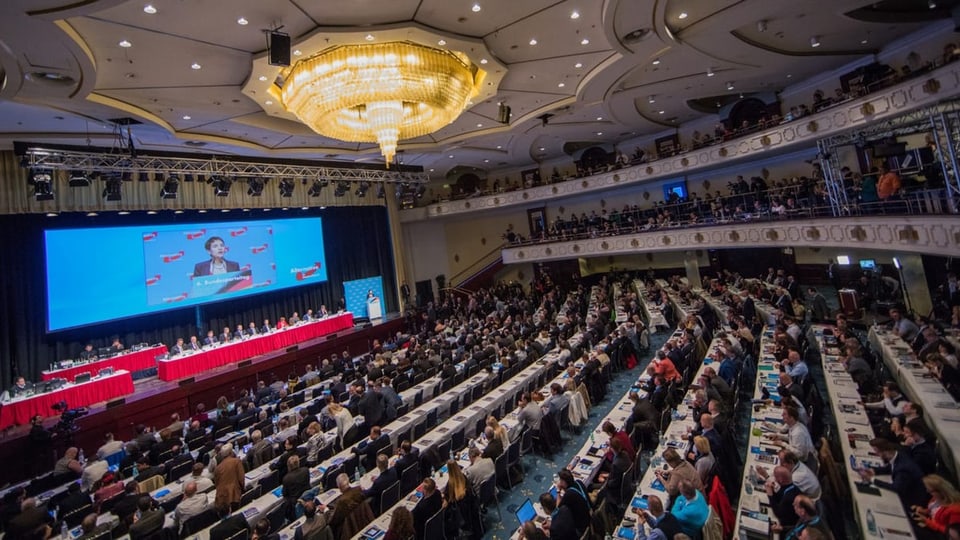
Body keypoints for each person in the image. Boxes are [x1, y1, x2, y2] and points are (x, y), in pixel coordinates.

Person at [858, 437, 927, 509]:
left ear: (883, 451)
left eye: (877, 452)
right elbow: (890, 467)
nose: (876, 454)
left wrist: (871, 479)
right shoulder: (898, 455)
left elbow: (896, 487)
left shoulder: (903, 469)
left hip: (911, 502)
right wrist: (873, 471)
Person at [557, 469, 591, 534]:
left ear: (564, 482)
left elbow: (557, 509)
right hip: (589, 515)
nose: (560, 482)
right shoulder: (579, 482)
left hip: (582, 527)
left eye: (561, 480)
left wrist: (558, 491)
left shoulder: (569, 494)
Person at [213, 444, 245, 511]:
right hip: (234, 494)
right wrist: (243, 489)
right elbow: (241, 479)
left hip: (222, 498)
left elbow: (216, 484)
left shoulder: (217, 468)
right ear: (231, 452)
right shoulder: (236, 461)